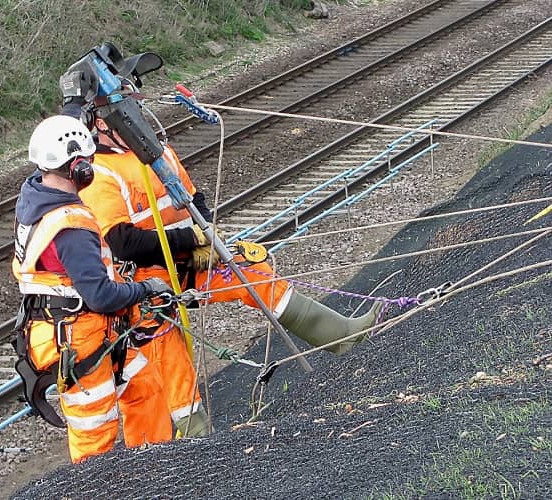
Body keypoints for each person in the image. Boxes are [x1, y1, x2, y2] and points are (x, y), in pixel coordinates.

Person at [60, 68, 382, 438]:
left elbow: (193, 198)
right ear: (101, 124)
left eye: (134, 107)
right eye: (125, 111)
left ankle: (342, 336)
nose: (135, 116)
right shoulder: (100, 172)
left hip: (188, 258)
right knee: (169, 359)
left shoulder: (155, 150)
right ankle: (195, 441)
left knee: (252, 274)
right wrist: (191, 240)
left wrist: (206, 238)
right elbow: (123, 242)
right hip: (147, 278)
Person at [11, 115, 175, 463]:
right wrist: (145, 289)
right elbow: (99, 295)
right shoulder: (71, 226)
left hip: (75, 329)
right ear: (79, 168)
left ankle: (155, 468)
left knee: (145, 387)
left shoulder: (35, 198)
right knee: (94, 434)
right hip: (79, 338)